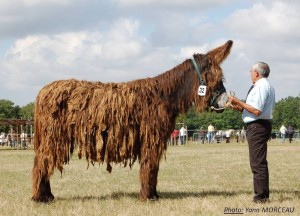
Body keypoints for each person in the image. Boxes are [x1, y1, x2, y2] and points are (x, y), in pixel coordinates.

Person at [227, 62, 275, 203]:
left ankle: (261, 197)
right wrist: (236, 106)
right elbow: (252, 110)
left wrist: (237, 100)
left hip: (257, 127)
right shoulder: (267, 86)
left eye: (251, 71)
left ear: (257, 73)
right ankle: (262, 195)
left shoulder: (260, 87)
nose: (250, 74)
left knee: (257, 163)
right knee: (259, 162)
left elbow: (256, 110)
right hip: (260, 124)